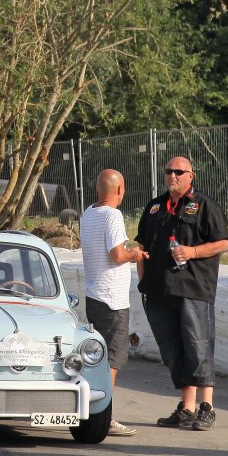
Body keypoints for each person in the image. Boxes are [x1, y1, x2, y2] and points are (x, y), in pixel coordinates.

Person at [132, 155, 228, 431]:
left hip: (192, 289)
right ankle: (186, 408)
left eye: (178, 171)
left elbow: (222, 243)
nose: (172, 176)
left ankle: (206, 407)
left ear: (191, 176)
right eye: (168, 171)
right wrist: (143, 280)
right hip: (158, 291)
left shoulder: (204, 205)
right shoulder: (155, 207)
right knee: (172, 350)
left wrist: (193, 251)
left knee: (198, 346)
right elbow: (142, 246)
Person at [79, 168, 139, 438]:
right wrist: (134, 254)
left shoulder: (89, 213)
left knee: (97, 357)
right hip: (113, 300)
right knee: (112, 360)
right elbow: (116, 255)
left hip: (94, 295)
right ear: (120, 190)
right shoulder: (113, 215)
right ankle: (104, 415)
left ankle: (90, 410)